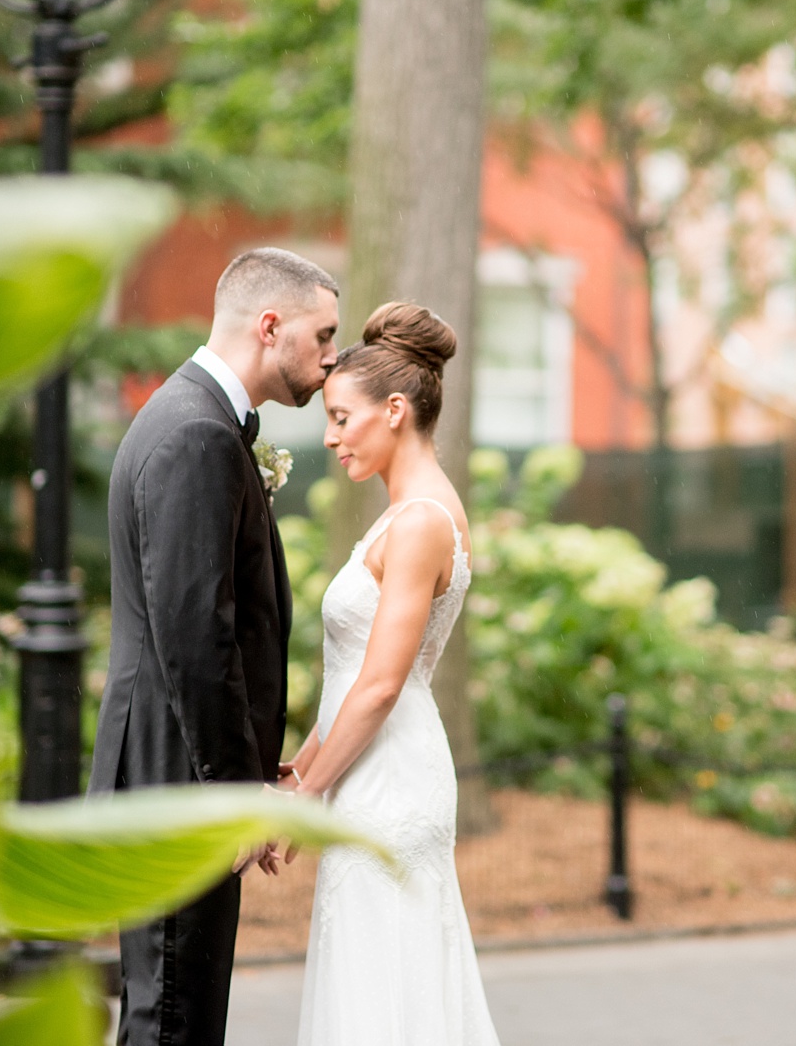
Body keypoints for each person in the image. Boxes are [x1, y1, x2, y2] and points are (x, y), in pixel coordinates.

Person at [89, 247, 340, 1046]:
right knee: (171, 1021)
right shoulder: (195, 433)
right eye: (324, 334)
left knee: (175, 1013)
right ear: (270, 327)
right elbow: (198, 640)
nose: (333, 359)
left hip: (177, 774)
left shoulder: (197, 420)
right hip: (179, 785)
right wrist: (237, 794)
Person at [280, 302, 500, 1046]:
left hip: (390, 781)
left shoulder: (419, 523)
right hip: (370, 766)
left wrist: (305, 799)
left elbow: (379, 686)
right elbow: (357, 676)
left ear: (396, 410)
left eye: (343, 417)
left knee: (386, 995)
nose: (331, 435)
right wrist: (301, 769)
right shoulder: (410, 512)